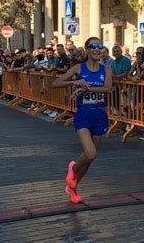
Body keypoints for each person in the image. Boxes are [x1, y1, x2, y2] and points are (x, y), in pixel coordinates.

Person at [53, 37, 113, 204]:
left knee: (90, 158)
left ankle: (73, 187)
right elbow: (56, 83)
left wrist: (85, 88)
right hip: (83, 116)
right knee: (90, 153)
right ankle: (73, 167)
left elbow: (108, 88)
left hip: (100, 116)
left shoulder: (106, 69)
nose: (96, 49)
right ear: (87, 50)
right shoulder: (79, 68)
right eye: (93, 46)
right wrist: (76, 81)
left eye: (99, 46)